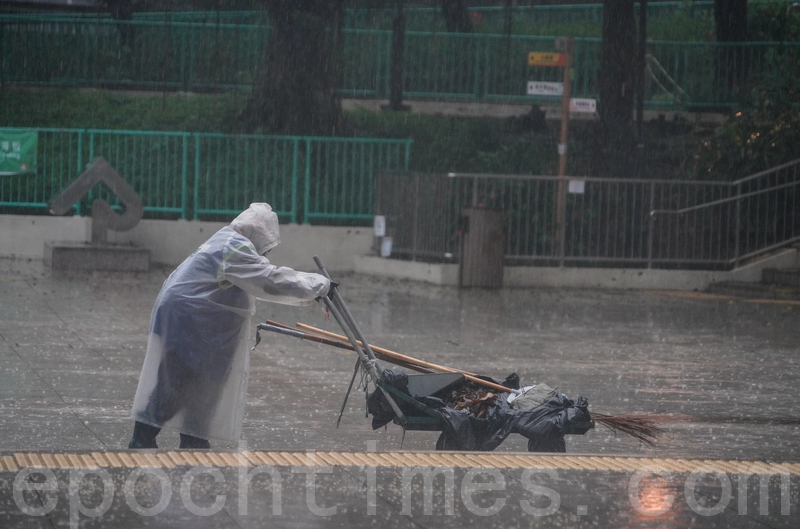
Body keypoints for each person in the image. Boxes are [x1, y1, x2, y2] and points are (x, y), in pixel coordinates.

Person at [128, 203, 330, 449]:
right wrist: (319, 284)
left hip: (192, 320)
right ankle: (145, 439)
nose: (265, 250)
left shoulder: (225, 240)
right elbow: (270, 280)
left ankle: (194, 440)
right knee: (180, 381)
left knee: (202, 383)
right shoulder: (234, 247)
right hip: (190, 320)